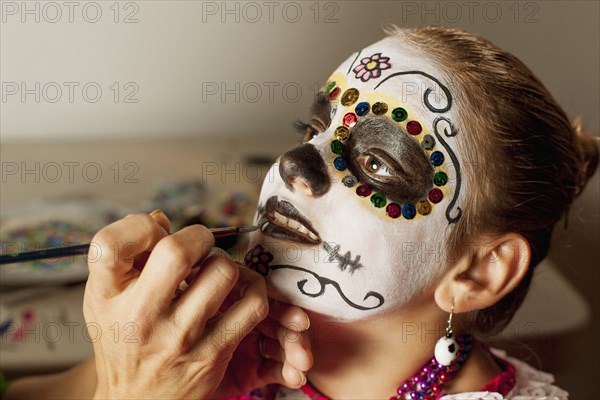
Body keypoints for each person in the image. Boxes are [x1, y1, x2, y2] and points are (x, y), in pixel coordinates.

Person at [3, 26, 598, 400]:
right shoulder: (205, 345)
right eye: (316, 128)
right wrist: (122, 371)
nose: (296, 163)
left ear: (478, 273)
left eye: (377, 166)